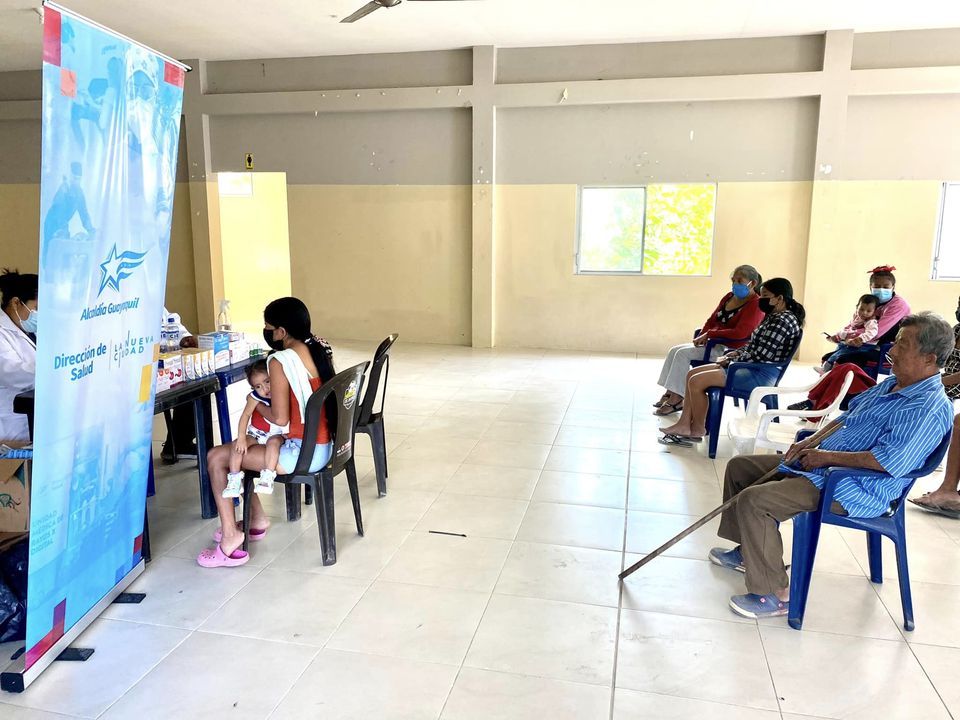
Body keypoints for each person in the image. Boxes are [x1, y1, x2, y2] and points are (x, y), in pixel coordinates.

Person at [709, 312, 954, 618]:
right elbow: (846, 418)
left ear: (929, 359)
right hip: (823, 466)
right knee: (741, 468)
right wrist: (810, 442)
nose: (892, 350)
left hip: (854, 486)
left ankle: (774, 593)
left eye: (903, 345)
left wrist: (825, 457)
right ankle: (750, 552)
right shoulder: (893, 384)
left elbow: (887, 461)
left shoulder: (928, 408)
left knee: (756, 501)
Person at [198, 297, 335, 568]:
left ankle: (230, 537)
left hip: (302, 452)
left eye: (269, 328)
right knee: (240, 449)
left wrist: (255, 404)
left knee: (216, 456)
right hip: (324, 445)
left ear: (281, 332)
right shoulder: (316, 347)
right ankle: (257, 520)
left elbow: (280, 417)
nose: (267, 332)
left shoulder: (280, 360)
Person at [659, 277, 804, 444]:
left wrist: (730, 361)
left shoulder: (782, 321)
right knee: (692, 374)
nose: (761, 299)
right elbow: (753, 346)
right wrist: (731, 355)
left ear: (779, 298)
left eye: (765, 296)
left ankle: (697, 428)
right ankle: (684, 424)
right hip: (749, 367)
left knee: (697, 381)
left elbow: (762, 355)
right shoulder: (774, 316)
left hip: (759, 374)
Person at [654, 265, 764, 415]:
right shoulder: (729, 297)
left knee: (682, 354)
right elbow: (712, 320)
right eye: (733, 280)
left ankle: (677, 399)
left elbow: (740, 333)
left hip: (728, 348)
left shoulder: (755, 304)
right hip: (713, 342)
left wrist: (710, 334)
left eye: (740, 281)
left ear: (753, 283)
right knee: (674, 350)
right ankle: (670, 392)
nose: (735, 284)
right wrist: (703, 335)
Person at [908, 296, 960, 517]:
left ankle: (947, 488)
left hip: (950, 383)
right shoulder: (956, 330)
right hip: (945, 379)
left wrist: (935, 382)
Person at [824, 265, 910, 370]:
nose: (881, 289)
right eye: (877, 286)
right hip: (866, 342)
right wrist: (842, 335)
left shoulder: (898, 305)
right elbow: (854, 323)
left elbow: (876, 333)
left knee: (842, 360)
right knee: (827, 358)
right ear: (870, 287)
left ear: (893, 287)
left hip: (886, 347)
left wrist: (848, 337)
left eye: (886, 287)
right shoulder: (870, 302)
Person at [222, 359, 286, 498]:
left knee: (273, 443)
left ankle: (267, 477)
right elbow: (245, 415)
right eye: (258, 386)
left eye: (267, 381)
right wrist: (241, 437)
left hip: (277, 435)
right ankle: (234, 480)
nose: (264, 389)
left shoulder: (283, 393)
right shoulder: (254, 398)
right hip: (256, 434)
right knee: (236, 446)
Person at [0, 270, 38, 442]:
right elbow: (15, 374)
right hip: (10, 427)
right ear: (16, 303)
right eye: (36, 308)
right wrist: (57, 371)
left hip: (32, 421)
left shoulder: (32, 330)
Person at [159, 306, 199, 464]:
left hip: (164, 360)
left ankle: (178, 443)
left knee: (193, 382)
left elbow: (169, 321)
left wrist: (183, 338)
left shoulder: (151, 299)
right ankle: (178, 443)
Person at [818, 294, 879, 373]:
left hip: (864, 346)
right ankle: (827, 369)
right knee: (838, 351)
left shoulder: (871, 321)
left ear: (874, 312)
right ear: (857, 307)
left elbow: (872, 332)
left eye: (868, 311)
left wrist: (860, 339)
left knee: (840, 354)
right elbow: (848, 329)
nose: (864, 313)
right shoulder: (857, 318)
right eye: (861, 309)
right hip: (853, 343)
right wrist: (839, 336)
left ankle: (828, 371)